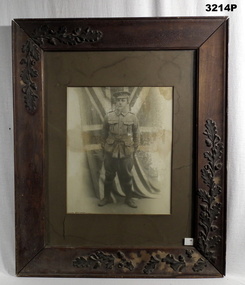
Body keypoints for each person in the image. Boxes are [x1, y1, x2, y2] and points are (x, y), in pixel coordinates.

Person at [98, 91, 140, 208]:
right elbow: (104, 133)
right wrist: (104, 146)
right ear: (115, 102)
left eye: (123, 100)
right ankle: (107, 197)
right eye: (118, 100)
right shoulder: (109, 116)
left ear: (127, 102)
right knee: (109, 174)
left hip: (126, 150)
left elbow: (137, 134)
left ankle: (129, 198)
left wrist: (133, 148)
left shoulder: (132, 117)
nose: (120, 103)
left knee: (126, 175)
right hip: (110, 150)